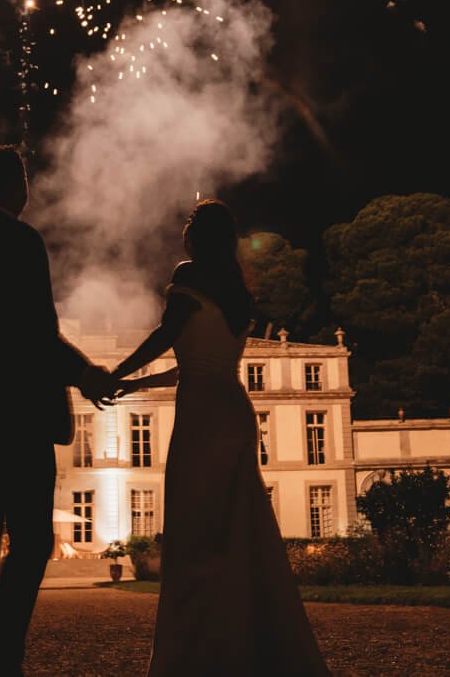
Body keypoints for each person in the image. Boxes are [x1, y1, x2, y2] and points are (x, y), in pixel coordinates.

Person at [109, 200, 330, 675]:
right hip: (233, 410)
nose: (184, 231)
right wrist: (136, 386)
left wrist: (116, 373)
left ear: (199, 235)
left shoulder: (188, 275)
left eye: (189, 223)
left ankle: (197, 652)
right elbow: (193, 364)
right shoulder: (237, 290)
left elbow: (166, 337)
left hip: (203, 417)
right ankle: (251, 644)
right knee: (238, 531)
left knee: (194, 533)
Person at [0, 146, 119, 676]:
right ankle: (4, 651)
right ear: (11, 185)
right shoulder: (21, 241)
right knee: (34, 539)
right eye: (23, 177)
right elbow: (37, 331)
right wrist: (85, 372)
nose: (29, 186)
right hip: (18, 416)